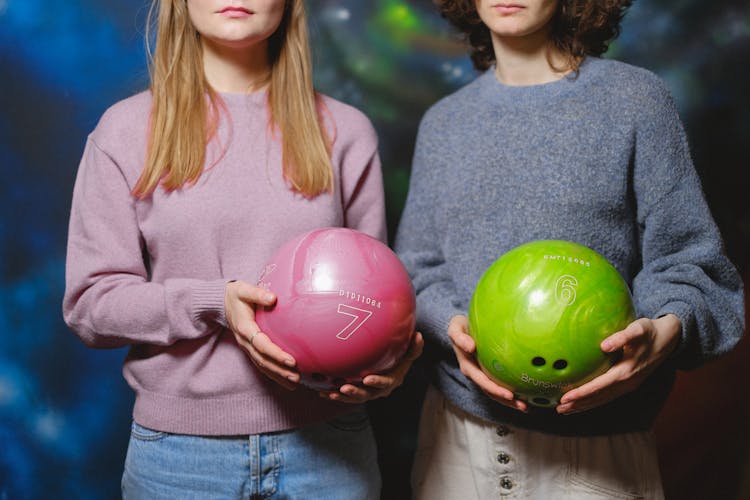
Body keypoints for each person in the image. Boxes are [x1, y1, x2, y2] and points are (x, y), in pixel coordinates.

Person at [63, 1, 422, 498]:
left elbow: (375, 302)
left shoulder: (346, 131)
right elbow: (90, 305)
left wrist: (390, 358)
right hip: (179, 458)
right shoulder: (123, 130)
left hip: (330, 449)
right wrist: (215, 302)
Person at [394, 0, 745, 498]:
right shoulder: (443, 123)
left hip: (595, 457)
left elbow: (694, 267)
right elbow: (418, 269)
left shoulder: (636, 100)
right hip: (456, 445)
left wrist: (661, 334)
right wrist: (452, 330)